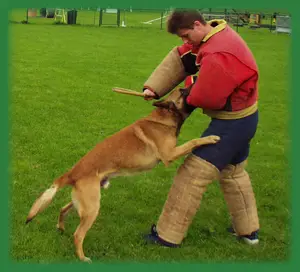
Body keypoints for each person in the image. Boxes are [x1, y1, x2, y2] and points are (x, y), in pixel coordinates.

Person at [142, 9, 260, 247]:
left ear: (197, 24)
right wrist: (154, 89)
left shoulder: (219, 53)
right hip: (244, 120)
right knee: (233, 173)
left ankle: (167, 236)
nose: (185, 41)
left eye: (186, 35)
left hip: (232, 124)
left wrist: (183, 94)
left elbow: (206, 96)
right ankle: (248, 233)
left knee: (192, 175)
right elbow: (182, 57)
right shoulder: (213, 36)